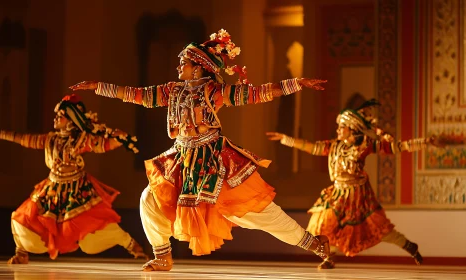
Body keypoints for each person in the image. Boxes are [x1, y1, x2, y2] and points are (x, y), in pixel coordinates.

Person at [70, 29, 332, 271]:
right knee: (149, 199)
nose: (178, 67)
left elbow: (257, 93)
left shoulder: (213, 92)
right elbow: (136, 94)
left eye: (183, 63)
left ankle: (313, 243)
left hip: (214, 160)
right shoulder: (170, 91)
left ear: (198, 68)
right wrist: (99, 87)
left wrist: (296, 83)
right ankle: (162, 255)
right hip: (181, 159)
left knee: (256, 213)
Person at [266, 99, 443, 268]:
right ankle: (328, 257)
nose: (338, 130)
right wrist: (286, 139)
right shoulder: (334, 146)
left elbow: (397, 147)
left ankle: (409, 246)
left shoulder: (364, 146)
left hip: (358, 196)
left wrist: (425, 142)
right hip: (337, 193)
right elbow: (312, 147)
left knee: (376, 229)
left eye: (341, 127)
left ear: (351, 129)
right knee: (322, 224)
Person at [0, 94, 147, 264]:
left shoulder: (82, 139)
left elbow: (104, 145)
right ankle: (21, 252)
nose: (56, 118)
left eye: (61, 115)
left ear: (72, 119)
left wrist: (119, 136)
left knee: (92, 225)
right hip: (51, 189)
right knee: (25, 216)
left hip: (77, 190)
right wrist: (0, 134)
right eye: (57, 115)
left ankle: (133, 246)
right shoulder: (51, 139)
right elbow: (25, 139)